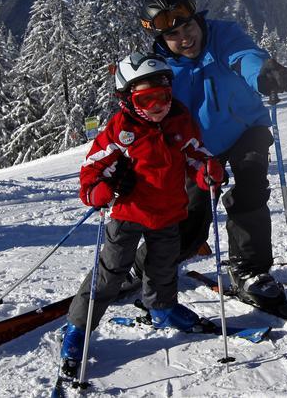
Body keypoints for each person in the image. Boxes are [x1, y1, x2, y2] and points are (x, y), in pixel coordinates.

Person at [59, 53, 225, 375]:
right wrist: (97, 191)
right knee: (111, 272)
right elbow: (90, 170)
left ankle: (162, 308)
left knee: (163, 267)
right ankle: (79, 327)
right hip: (128, 212)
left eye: (162, 97)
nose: (157, 106)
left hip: (167, 213)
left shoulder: (180, 120)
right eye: (145, 100)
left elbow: (195, 154)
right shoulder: (121, 130)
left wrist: (207, 168)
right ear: (127, 100)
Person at [138, 0, 287, 309]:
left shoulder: (223, 35)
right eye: (174, 35)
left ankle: (250, 269)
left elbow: (245, 57)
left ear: (198, 19)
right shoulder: (159, 69)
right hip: (197, 148)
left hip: (245, 130)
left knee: (251, 185)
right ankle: (143, 264)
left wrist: (265, 74)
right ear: (160, 40)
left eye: (189, 27)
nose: (186, 38)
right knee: (190, 215)